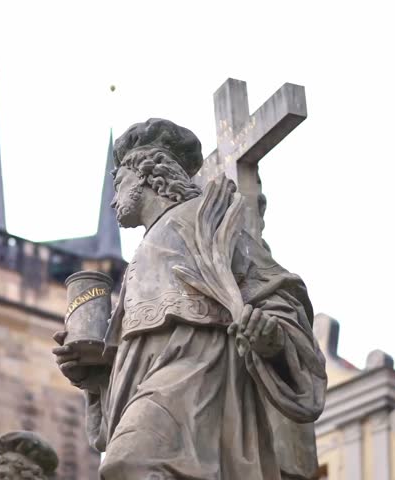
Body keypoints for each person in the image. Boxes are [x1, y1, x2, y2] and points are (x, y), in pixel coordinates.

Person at [53, 118, 327, 480]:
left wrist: (270, 336)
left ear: (146, 174)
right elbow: (140, 346)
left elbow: (276, 291)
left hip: (199, 375)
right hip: (154, 381)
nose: (113, 199)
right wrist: (99, 372)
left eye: (118, 183)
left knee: (131, 464)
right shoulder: (142, 252)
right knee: (127, 467)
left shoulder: (204, 219)